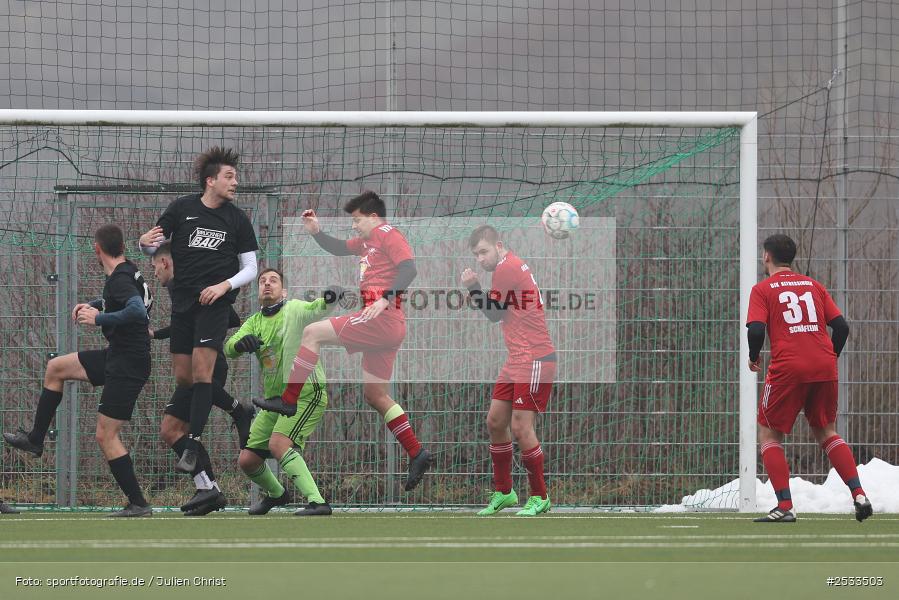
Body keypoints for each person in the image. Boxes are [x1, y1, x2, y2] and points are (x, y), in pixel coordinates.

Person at [253, 191, 432, 492]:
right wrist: (316, 232)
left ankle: (288, 400)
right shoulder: (365, 242)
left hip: (381, 319)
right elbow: (337, 247)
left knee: (312, 333)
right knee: (375, 395)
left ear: (374, 217)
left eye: (357, 220)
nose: (354, 225)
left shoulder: (388, 234)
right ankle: (417, 452)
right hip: (386, 327)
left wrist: (385, 300)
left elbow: (409, 268)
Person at [4, 225, 153, 517]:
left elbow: (136, 310)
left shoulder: (120, 278)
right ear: (121, 247)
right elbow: (126, 301)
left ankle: (138, 503)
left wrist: (98, 318)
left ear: (97, 249)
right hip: (118, 356)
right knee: (56, 367)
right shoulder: (127, 270)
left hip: (128, 364)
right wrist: (94, 304)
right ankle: (35, 439)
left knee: (105, 435)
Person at [139, 147, 258, 475]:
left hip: (214, 305)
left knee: (203, 374)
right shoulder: (182, 209)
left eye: (236, 177)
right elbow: (152, 246)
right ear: (210, 180)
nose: (235, 182)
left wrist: (223, 287)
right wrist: (143, 242)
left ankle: (192, 446)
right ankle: (239, 410)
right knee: (185, 377)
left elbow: (251, 268)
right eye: (229, 176)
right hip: (183, 306)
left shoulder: (237, 219)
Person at [747, 234, 872, 523]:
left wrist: (754, 356)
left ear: (766, 256)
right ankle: (859, 495)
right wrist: (829, 358)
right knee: (827, 432)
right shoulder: (814, 285)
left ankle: (785, 506)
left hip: (788, 368)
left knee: (768, 434)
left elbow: (756, 330)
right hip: (824, 366)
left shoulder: (762, 289)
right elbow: (841, 328)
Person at [148, 241, 254, 516]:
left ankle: (238, 410)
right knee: (171, 430)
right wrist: (159, 334)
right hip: (204, 364)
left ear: (165, 262)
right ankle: (208, 489)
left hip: (209, 365)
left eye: (154, 267)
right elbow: (229, 318)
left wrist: (203, 332)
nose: (154, 273)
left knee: (172, 427)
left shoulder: (182, 283)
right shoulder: (179, 287)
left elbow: (228, 316)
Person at [229, 268, 343, 516]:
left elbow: (317, 309)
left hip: (306, 393)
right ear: (258, 291)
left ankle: (318, 502)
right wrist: (239, 344)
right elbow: (228, 348)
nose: (267, 284)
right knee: (248, 460)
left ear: (284, 292)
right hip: (275, 402)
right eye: (262, 281)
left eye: (273, 280)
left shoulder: (294, 310)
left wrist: (330, 297)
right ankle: (277, 494)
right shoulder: (254, 322)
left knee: (278, 444)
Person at [461, 225, 556, 516]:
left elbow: (494, 314)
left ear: (499, 245)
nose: (480, 259)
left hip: (534, 357)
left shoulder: (506, 268)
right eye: (476, 254)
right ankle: (504, 492)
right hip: (517, 359)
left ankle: (540, 496)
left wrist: (473, 287)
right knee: (495, 421)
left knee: (520, 427)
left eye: (483, 252)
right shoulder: (509, 266)